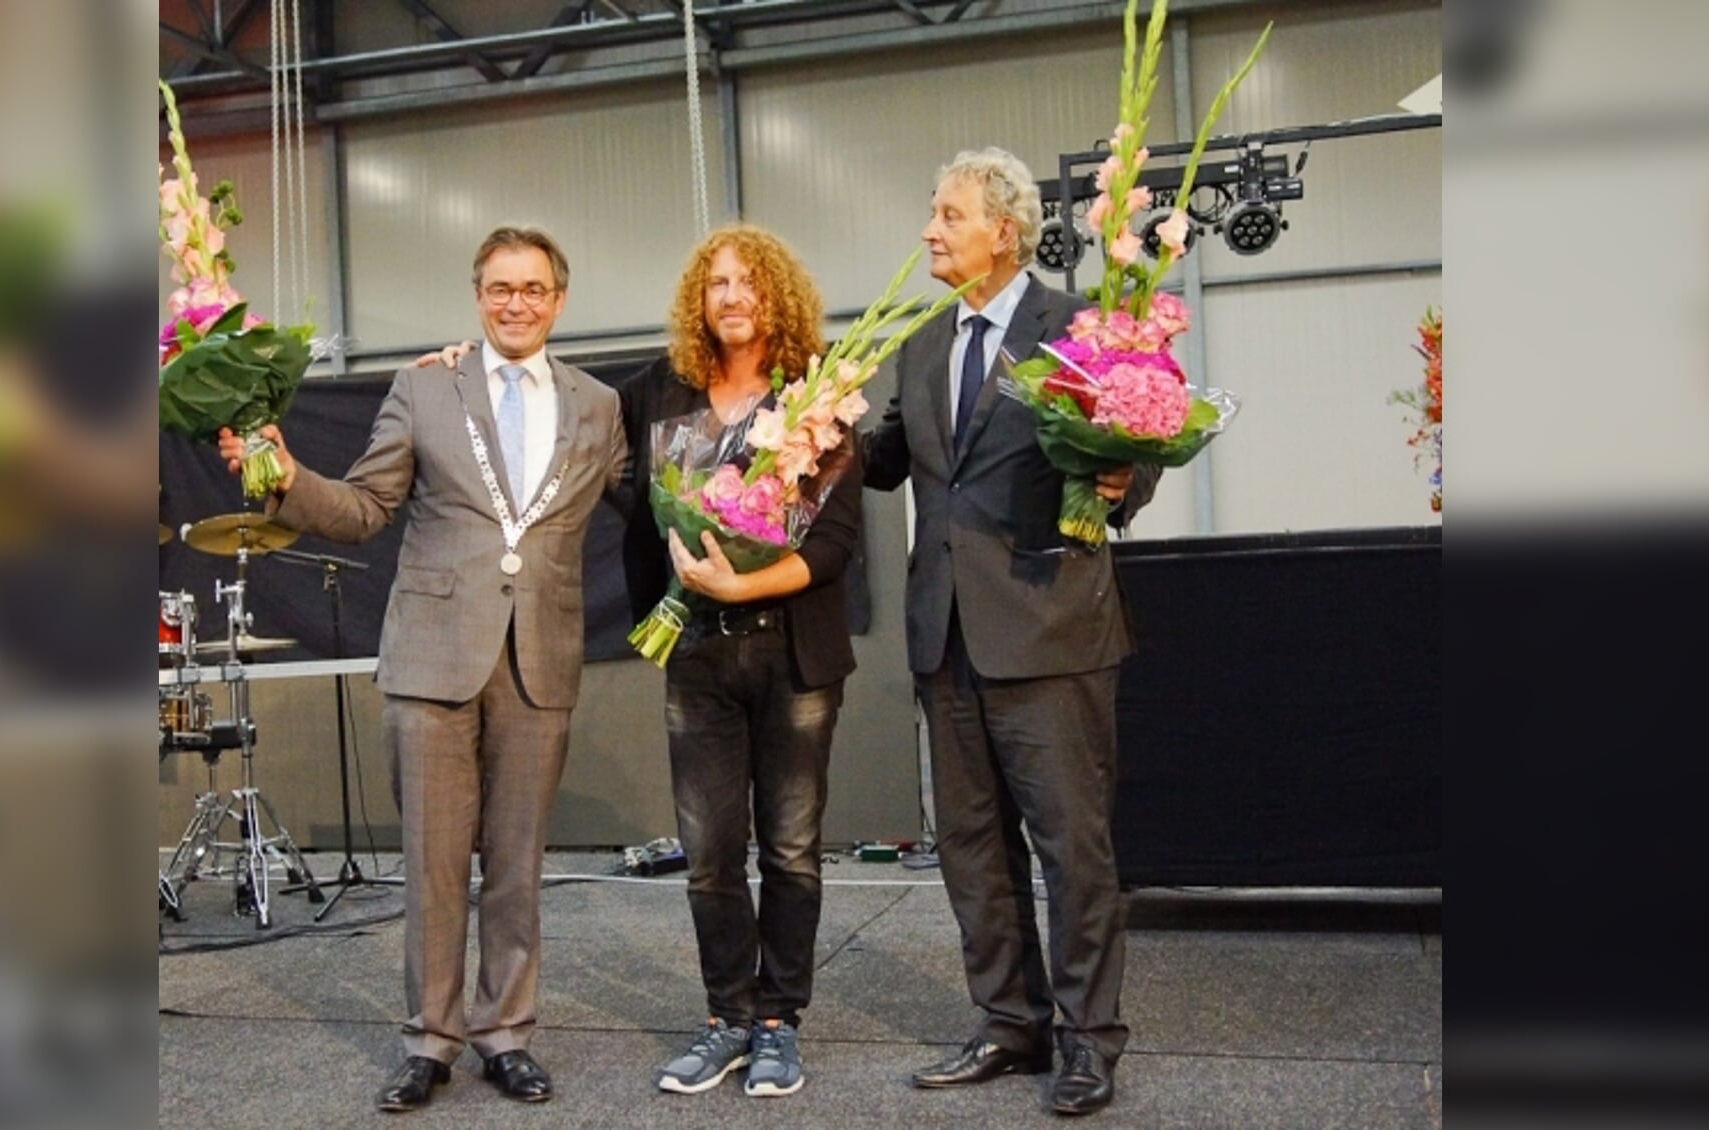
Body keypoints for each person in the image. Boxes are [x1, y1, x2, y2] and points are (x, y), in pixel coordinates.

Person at [418, 223, 861, 1099]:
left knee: (793, 851)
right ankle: (726, 1017)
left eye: (749, 283)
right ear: (698, 301)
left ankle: (778, 1022)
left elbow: (840, 540)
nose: (732, 297)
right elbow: (554, 410)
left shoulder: (820, 393)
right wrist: (466, 365)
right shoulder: (655, 394)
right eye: (717, 284)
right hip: (693, 654)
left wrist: (742, 587)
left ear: (779, 297)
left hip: (796, 658)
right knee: (708, 855)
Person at [217, 226, 627, 1114]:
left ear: (559, 299)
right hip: (432, 659)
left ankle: (505, 1035)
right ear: (477, 293)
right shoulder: (423, 383)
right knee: (435, 863)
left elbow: (646, 495)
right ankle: (431, 1041)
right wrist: (285, 476)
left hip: (540, 661)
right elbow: (365, 510)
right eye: (498, 287)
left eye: (532, 288)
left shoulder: (598, 405)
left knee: (516, 866)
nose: (515, 302)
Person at [861, 148, 1158, 1117]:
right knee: (972, 846)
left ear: (1005, 227)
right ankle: (1010, 1020)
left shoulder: (1076, 323)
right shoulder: (922, 341)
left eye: (946, 214)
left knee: (1072, 845)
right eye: (933, 211)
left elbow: (1135, 437)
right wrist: (814, 423)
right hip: (944, 634)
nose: (929, 231)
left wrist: (1124, 479)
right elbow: (888, 461)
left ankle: (1088, 1036)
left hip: (1050, 627)